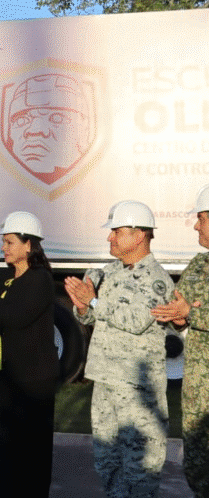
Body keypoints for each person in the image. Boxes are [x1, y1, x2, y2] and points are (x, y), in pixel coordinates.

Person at [65, 200, 172, 498]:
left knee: (139, 472)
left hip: (137, 392)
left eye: (116, 232)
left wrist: (96, 302)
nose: (109, 238)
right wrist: (83, 306)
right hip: (106, 382)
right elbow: (90, 316)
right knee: (107, 466)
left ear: (138, 235)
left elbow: (137, 320)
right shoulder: (109, 272)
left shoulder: (156, 280)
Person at [0, 212, 57, 498]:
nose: (4, 248)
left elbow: (12, 317)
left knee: (33, 449)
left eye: (9, 242)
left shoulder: (40, 279)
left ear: (28, 245)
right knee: (11, 445)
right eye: (4, 242)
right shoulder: (6, 276)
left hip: (34, 379)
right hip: (11, 374)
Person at [151, 184, 209, 497]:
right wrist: (177, 316)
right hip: (198, 397)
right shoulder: (199, 265)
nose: (196, 225)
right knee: (198, 469)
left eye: (201, 218)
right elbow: (181, 306)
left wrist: (195, 315)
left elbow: (195, 312)